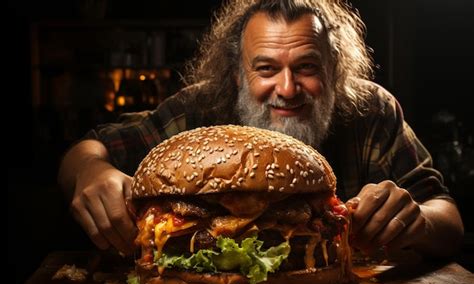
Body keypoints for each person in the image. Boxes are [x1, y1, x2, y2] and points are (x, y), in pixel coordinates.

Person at [58, 0, 464, 258]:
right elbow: (87, 150)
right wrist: (93, 172)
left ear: (334, 70)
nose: (287, 90)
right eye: (266, 68)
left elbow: (447, 217)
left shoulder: (373, 110)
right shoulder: (197, 107)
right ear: (237, 76)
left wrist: (419, 221)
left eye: (306, 67)